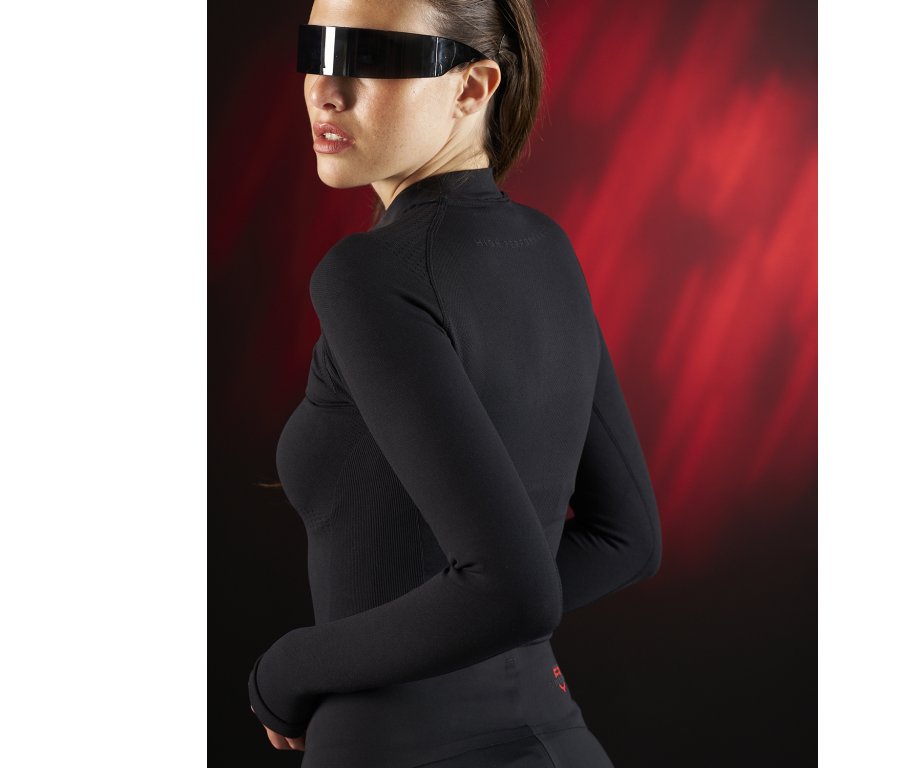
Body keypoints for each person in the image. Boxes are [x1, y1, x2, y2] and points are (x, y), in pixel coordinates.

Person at [247, 0, 662, 765]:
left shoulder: (366, 275)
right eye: (318, 49)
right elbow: (625, 541)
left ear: (473, 87)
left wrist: (287, 670)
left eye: (371, 58)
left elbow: (515, 588)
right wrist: (468, 616)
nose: (326, 91)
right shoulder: (546, 248)